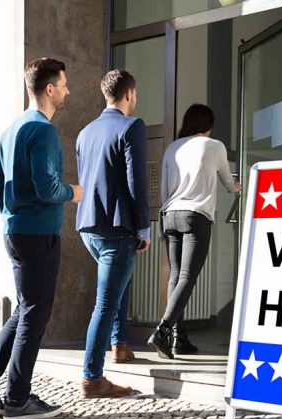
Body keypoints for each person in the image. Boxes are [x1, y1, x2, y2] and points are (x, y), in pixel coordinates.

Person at [0, 58, 83, 419]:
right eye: (63, 85)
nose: (67, 91)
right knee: (34, 313)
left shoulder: (12, 128)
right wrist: (73, 193)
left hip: (15, 231)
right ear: (49, 89)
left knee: (24, 310)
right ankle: (17, 400)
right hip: (37, 234)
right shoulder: (43, 131)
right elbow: (48, 188)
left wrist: (11, 212)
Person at [76, 69, 149, 397]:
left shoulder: (85, 133)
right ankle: (92, 377)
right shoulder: (132, 126)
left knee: (120, 283)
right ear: (129, 94)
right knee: (105, 302)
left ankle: (120, 344)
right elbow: (136, 182)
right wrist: (143, 226)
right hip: (117, 227)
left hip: (87, 225)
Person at [148, 104, 240, 359]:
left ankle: (179, 338)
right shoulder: (214, 146)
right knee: (187, 276)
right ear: (208, 126)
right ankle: (163, 330)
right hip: (195, 215)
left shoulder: (172, 148)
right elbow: (227, 184)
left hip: (170, 215)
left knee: (176, 275)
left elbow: (165, 191)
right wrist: (238, 186)